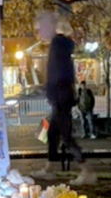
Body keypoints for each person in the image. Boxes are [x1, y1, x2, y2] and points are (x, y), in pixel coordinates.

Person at [31, 12, 96, 185]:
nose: (38, 33)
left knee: (66, 136)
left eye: (40, 28)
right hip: (60, 95)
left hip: (60, 97)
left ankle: (87, 170)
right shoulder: (58, 44)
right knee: (52, 134)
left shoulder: (57, 44)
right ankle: (48, 169)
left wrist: (50, 88)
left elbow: (58, 74)